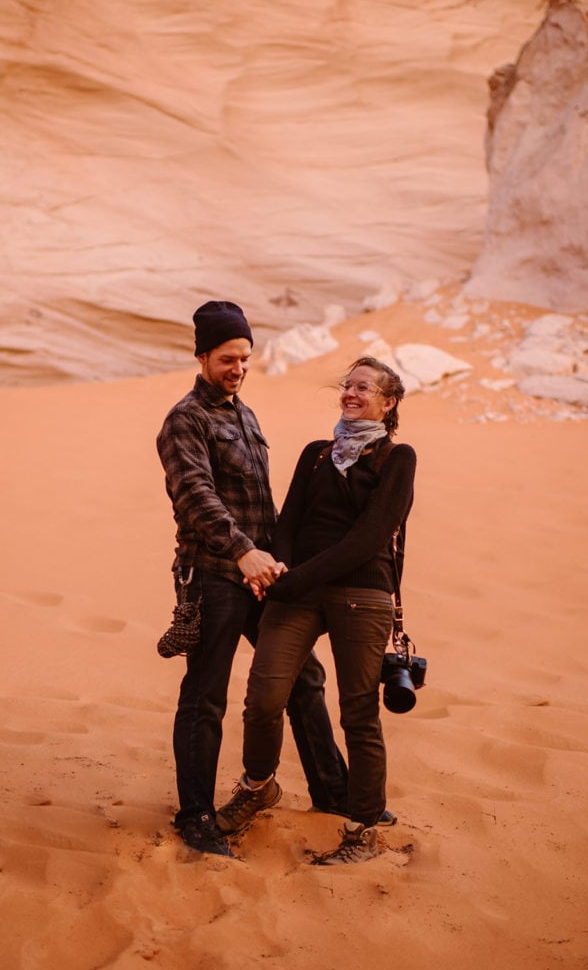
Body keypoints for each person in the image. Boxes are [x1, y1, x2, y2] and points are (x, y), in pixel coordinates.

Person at [155, 300, 350, 857]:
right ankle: (195, 815)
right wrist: (243, 552)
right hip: (213, 576)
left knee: (303, 678)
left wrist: (280, 562)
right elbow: (195, 496)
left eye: (244, 358)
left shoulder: (246, 415)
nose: (238, 368)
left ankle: (333, 792)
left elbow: (262, 504)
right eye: (227, 359)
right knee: (206, 697)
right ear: (201, 357)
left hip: (263, 578)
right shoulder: (185, 420)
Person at [215, 356, 416, 865]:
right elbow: (288, 521)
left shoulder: (398, 458)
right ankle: (258, 786)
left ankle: (362, 829)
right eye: (347, 385)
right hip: (298, 592)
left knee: (359, 715)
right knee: (264, 696)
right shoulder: (315, 453)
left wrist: (295, 578)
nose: (350, 394)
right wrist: (280, 568)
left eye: (364, 388)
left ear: (388, 403)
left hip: (362, 593)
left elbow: (369, 538)